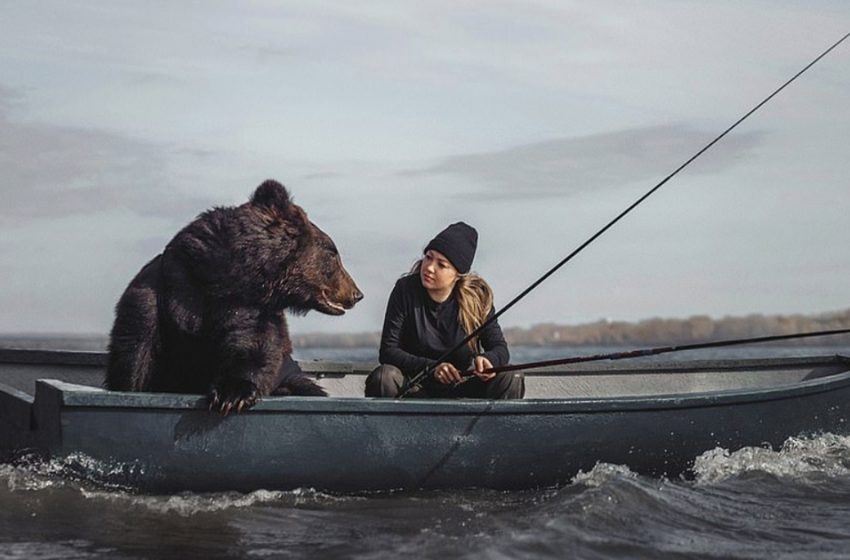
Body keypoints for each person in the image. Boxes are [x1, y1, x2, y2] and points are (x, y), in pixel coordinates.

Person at [365, 222, 524, 399]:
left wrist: (490, 360)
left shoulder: (478, 297)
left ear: (458, 274)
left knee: (511, 376)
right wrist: (432, 368)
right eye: (428, 257)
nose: (430, 268)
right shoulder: (405, 289)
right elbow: (388, 351)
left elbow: (499, 347)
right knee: (383, 377)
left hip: (462, 386)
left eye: (441, 265)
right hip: (415, 386)